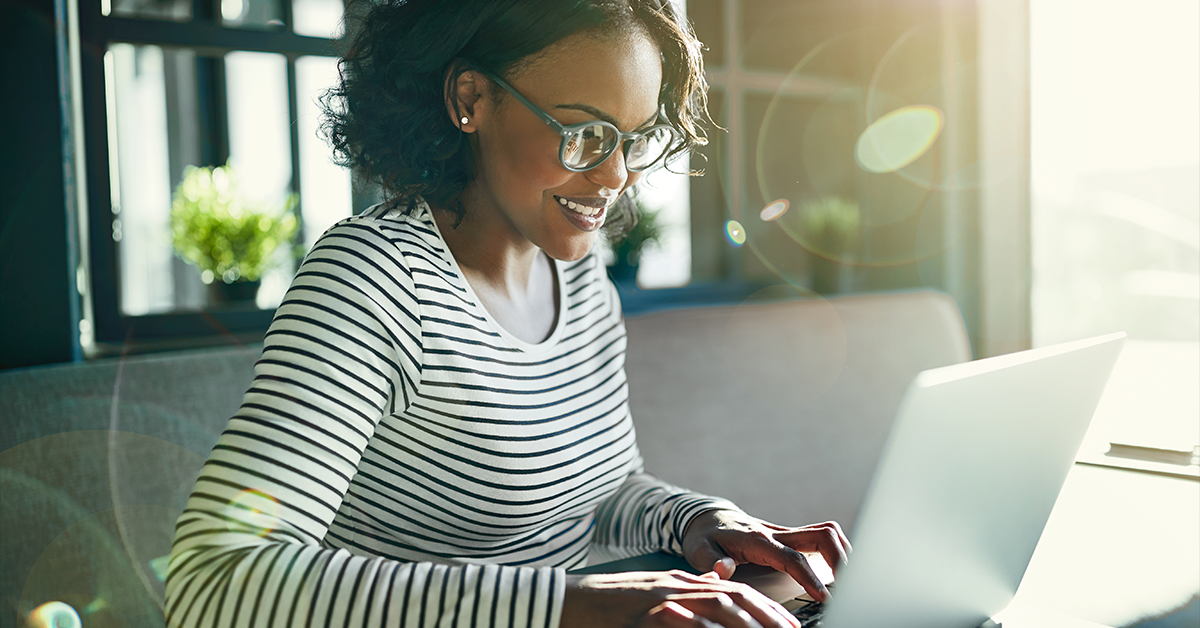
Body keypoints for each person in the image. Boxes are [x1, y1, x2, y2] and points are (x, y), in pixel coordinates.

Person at [166, 1, 851, 627]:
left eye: (635, 139)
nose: (614, 176)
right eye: (585, 132)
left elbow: (601, 489)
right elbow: (216, 577)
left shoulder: (577, 275)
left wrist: (700, 521)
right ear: (472, 99)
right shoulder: (375, 278)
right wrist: (579, 604)